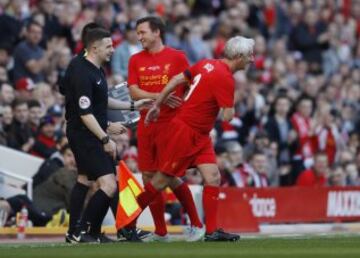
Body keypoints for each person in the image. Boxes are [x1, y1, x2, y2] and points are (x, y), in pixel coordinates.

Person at [142, 35, 255, 241]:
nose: (252, 59)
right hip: (185, 132)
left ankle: (211, 232)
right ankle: (126, 221)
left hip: (200, 134)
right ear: (238, 57)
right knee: (161, 180)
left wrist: (158, 103)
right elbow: (227, 116)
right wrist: (234, 102)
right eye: (249, 55)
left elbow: (177, 79)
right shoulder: (226, 79)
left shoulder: (207, 63)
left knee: (213, 177)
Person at [63, 26, 151, 243]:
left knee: (84, 180)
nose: (113, 50)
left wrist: (132, 106)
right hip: (85, 134)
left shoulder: (96, 68)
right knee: (109, 184)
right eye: (109, 46)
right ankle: (83, 230)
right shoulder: (82, 71)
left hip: (89, 131)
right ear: (94, 47)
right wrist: (105, 137)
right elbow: (85, 113)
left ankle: (81, 232)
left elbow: (102, 100)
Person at [125, 16, 204, 241]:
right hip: (146, 124)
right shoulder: (135, 60)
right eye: (138, 33)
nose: (139, 37)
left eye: (143, 32)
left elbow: (191, 85)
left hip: (172, 125)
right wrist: (160, 96)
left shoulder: (177, 57)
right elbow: (133, 91)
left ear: (157, 32)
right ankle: (161, 231)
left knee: (168, 175)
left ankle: (197, 224)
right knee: (149, 177)